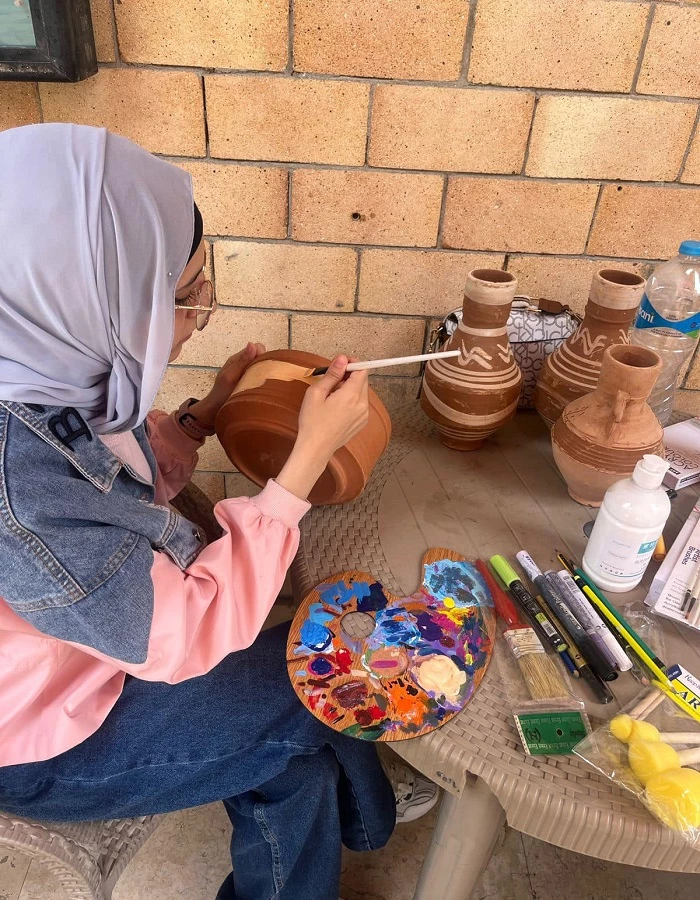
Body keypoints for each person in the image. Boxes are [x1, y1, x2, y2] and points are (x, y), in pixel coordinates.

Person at [0, 123, 397, 900]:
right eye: (184, 296)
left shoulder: (41, 356)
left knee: (302, 731)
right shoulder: (20, 492)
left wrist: (201, 417)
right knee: (327, 681)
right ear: (91, 299)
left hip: (85, 657)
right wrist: (303, 466)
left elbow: (112, 471)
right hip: (41, 740)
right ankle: (371, 814)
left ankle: (360, 815)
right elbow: (181, 637)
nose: (199, 312)